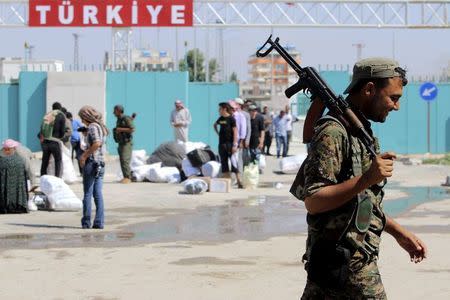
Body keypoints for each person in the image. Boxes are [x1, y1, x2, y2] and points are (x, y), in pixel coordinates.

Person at [299, 58, 427, 299]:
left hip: (346, 262)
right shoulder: (333, 132)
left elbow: (363, 201)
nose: (396, 106)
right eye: (393, 97)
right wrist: (368, 177)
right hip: (344, 263)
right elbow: (314, 200)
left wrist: (399, 233)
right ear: (369, 89)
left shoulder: (359, 131)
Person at [78, 106, 108, 229]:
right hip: (100, 164)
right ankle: (99, 222)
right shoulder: (100, 126)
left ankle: (86, 222)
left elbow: (96, 143)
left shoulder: (92, 127)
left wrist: (84, 156)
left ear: (86, 117)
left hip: (92, 163)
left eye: (82, 117)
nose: (81, 121)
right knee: (98, 194)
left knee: (87, 194)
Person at [213, 102, 242, 188]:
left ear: (224, 109)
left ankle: (239, 181)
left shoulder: (231, 119)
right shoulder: (221, 118)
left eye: (220, 109)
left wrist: (235, 144)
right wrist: (218, 133)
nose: (219, 110)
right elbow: (214, 125)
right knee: (224, 163)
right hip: (222, 144)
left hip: (230, 144)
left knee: (234, 163)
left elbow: (235, 131)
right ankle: (227, 183)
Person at [0, 139, 28, 214]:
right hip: (19, 203)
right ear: (14, 148)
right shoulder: (20, 160)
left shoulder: (2, 161)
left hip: (5, 203)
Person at [39, 102, 66, 178]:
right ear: (60, 108)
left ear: (52, 108)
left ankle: (43, 179)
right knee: (58, 161)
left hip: (45, 142)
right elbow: (62, 131)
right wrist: (60, 137)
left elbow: (41, 128)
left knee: (45, 161)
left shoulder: (47, 115)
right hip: (55, 141)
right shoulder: (61, 115)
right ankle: (57, 179)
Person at [113, 105, 135, 184]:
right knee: (122, 160)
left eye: (115, 111)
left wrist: (120, 129)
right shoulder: (119, 119)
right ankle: (126, 177)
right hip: (121, 142)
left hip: (126, 143)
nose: (113, 112)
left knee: (125, 160)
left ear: (119, 110)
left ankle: (128, 177)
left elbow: (132, 129)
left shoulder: (125, 118)